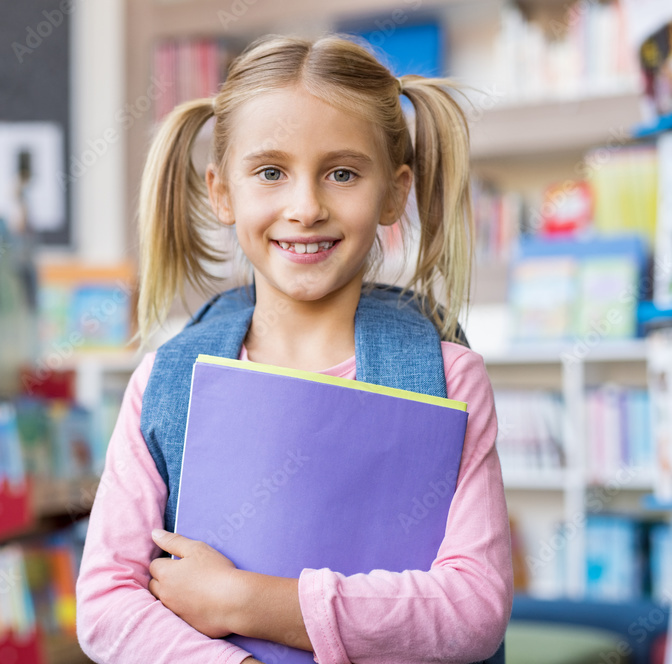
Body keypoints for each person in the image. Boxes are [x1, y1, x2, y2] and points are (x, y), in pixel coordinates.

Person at [75, 34, 512, 664]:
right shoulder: (165, 383)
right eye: (271, 172)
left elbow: (473, 610)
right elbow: (107, 603)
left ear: (394, 192)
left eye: (342, 173)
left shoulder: (448, 378)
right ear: (222, 192)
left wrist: (243, 601)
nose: (305, 207)